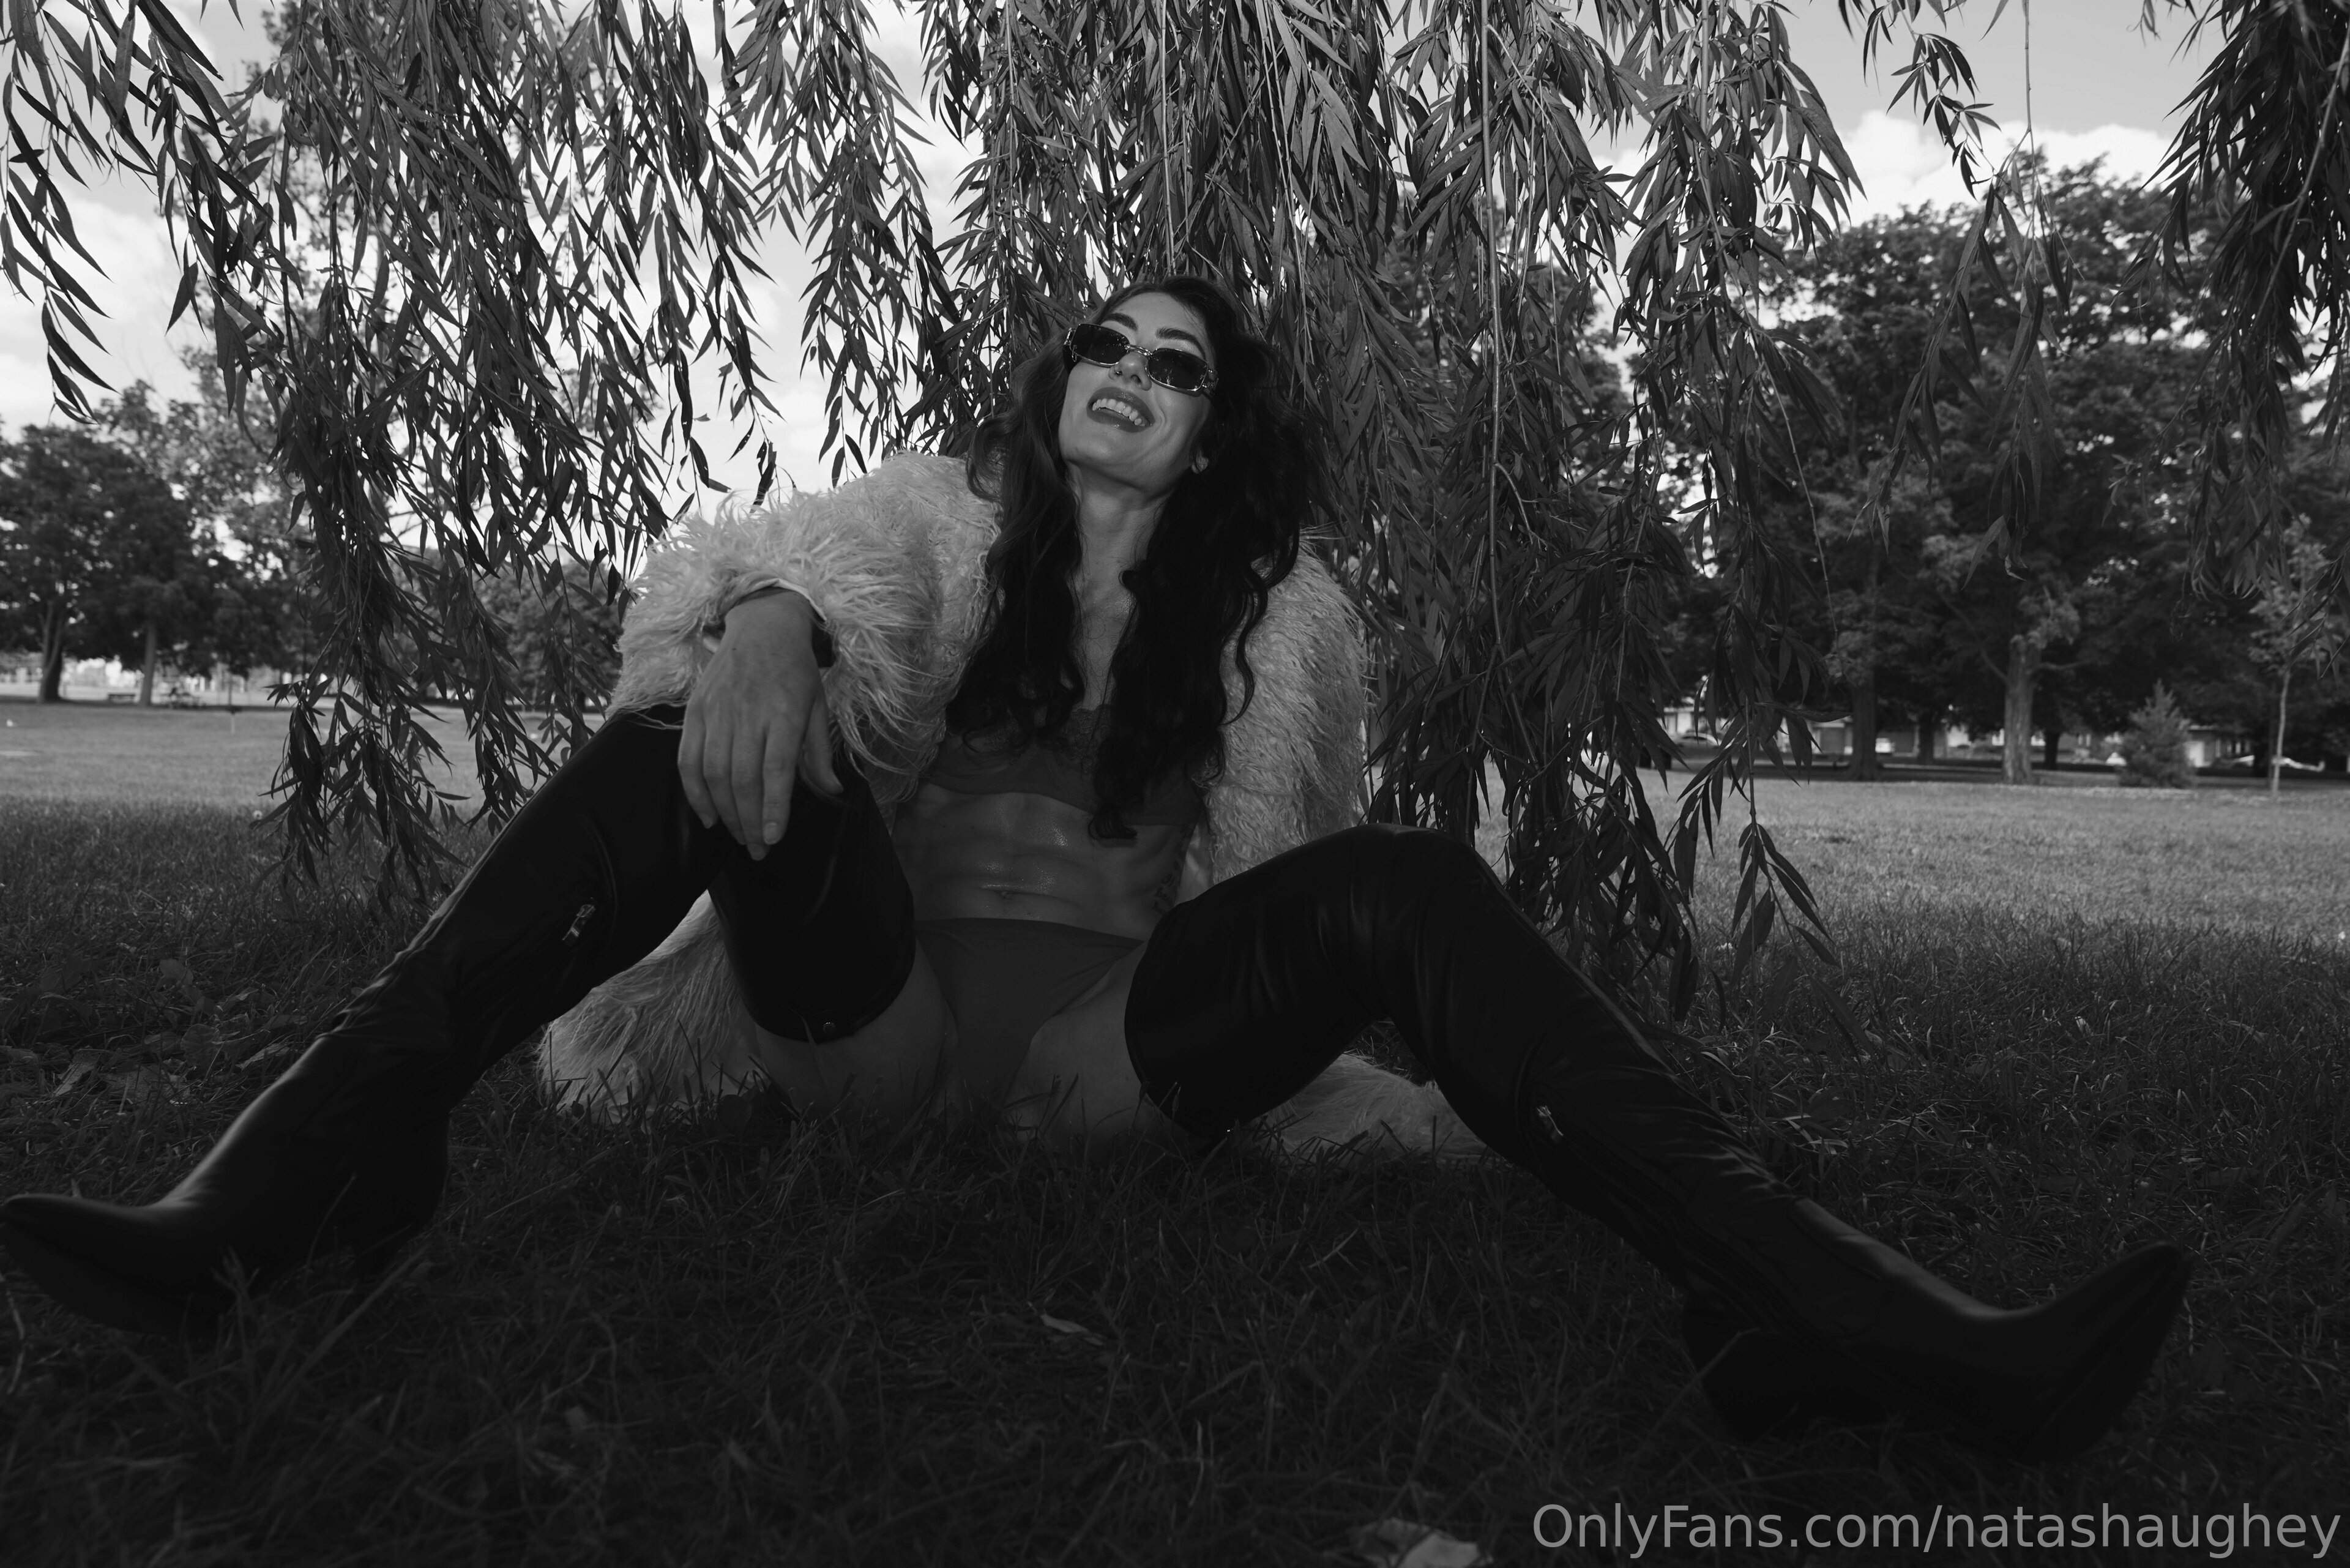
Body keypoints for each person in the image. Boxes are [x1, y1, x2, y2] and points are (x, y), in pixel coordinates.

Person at [0, 277, 2188, 1463]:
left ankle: (1803, 1294)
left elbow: (1299, 884)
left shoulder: (1288, 624)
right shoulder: (938, 526)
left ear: (1217, 427)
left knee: (1411, 881)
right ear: (1059, 388)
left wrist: (1369, 1034)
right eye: (1109, 347)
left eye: (1180, 364)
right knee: (698, 725)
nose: (1133, 374)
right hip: (870, 1019)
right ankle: (317, 1162)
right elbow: (800, 562)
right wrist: (771, 618)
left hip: (1106, 1061)